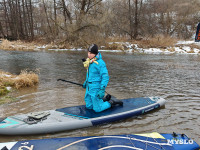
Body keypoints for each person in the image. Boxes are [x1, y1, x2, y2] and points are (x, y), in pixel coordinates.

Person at [82, 44, 122, 112]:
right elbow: (89, 73)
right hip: (89, 87)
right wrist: (86, 82)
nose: (89, 54)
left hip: (96, 87)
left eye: (91, 53)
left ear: (95, 53)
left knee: (97, 109)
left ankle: (111, 102)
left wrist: (102, 89)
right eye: (88, 52)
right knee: (89, 106)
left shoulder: (100, 63)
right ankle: (102, 100)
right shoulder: (89, 61)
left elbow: (105, 77)